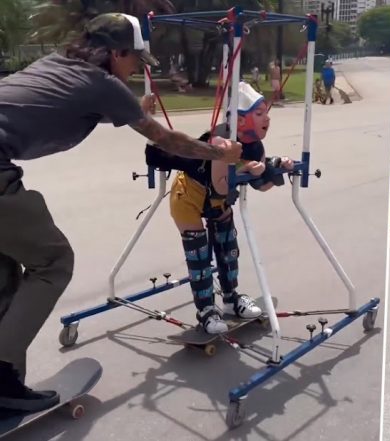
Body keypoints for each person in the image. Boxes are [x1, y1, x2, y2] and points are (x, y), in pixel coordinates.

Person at [0, 13, 242, 413]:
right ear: (116, 52)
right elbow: (165, 139)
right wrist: (221, 154)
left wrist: (130, 106)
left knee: (7, 269)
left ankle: (6, 384)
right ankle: (2, 375)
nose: (134, 70)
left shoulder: (55, 64)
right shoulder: (104, 85)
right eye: (134, 62)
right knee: (53, 262)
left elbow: (59, 105)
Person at [165, 81, 294, 333]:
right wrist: (246, 168)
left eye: (266, 112)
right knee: (200, 256)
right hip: (189, 197)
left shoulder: (255, 145)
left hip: (217, 201)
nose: (266, 118)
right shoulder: (220, 139)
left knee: (227, 248)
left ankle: (231, 299)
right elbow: (220, 183)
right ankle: (206, 311)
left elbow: (261, 186)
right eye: (259, 114)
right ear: (240, 120)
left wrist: (276, 167)